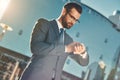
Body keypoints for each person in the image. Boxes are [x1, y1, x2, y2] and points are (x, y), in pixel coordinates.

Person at [20, 2, 89, 80]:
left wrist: (83, 52)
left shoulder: (68, 40)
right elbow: (36, 47)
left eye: (76, 20)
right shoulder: (44, 24)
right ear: (64, 11)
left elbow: (83, 63)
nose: (73, 22)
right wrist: (65, 48)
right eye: (72, 17)